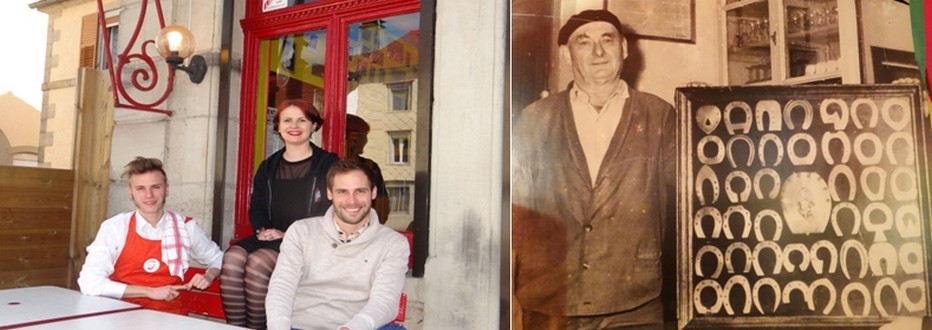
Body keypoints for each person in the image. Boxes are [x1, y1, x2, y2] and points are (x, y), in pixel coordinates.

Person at [512, 9, 676, 329]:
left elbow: (693, 195)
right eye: (584, 42)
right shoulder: (534, 118)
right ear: (566, 53)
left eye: (607, 40)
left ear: (624, 48)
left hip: (635, 304)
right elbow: (514, 213)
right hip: (550, 303)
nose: (598, 52)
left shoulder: (661, 116)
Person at [220, 99, 339, 328]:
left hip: (307, 241)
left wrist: (287, 234)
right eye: (287, 120)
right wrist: (263, 230)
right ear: (278, 126)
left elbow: (330, 211)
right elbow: (257, 206)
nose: (294, 125)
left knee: (257, 264)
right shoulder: (268, 166)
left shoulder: (327, 163)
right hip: (271, 237)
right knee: (232, 259)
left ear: (314, 125)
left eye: (302, 120)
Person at [266, 160, 409, 330]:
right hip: (301, 325)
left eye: (360, 191)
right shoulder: (301, 231)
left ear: (373, 192)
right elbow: (282, 286)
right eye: (342, 192)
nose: (352, 201)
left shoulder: (393, 243)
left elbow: (385, 302)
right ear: (329, 193)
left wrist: (352, 327)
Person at [78, 157, 224, 315]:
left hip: (171, 318)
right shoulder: (115, 227)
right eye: (140, 188)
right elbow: (89, 282)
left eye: (156, 187)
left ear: (166, 189)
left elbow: (219, 258)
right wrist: (148, 291)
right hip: (119, 316)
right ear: (130, 192)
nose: (149, 195)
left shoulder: (186, 227)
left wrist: (209, 276)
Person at [345, 113, 391, 223]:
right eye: (364, 135)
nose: (366, 140)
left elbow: (382, 208)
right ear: (352, 139)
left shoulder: (370, 167)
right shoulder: (326, 163)